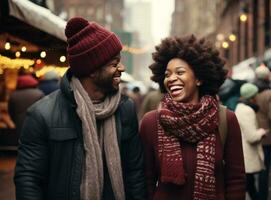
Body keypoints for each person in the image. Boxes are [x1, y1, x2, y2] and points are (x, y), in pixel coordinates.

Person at [14, 17, 146, 200]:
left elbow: (135, 173)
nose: (121, 68)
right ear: (92, 69)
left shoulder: (125, 109)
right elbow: (29, 179)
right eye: (114, 64)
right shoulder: (42, 114)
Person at [139, 35, 246, 200]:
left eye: (180, 72)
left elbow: (236, 180)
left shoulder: (226, 119)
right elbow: (145, 180)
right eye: (167, 74)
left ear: (199, 79)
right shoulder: (150, 122)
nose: (172, 78)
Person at [235, 83, 267, 200]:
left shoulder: (240, 107)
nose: (257, 96)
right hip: (247, 154)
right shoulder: (247, 110)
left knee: (250, 185)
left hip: (244, 153)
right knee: (250, 186)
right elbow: (252, 137)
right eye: (256, 94)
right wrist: (261, 132)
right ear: (252, 96)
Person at [254, 65, 271, 200]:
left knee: (261, 168)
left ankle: (260, 195)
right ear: (267, 77)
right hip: (268, 135)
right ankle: (263, 196)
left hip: (257, 133)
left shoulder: (253, 92)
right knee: (266, 169)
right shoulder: (269, 94)